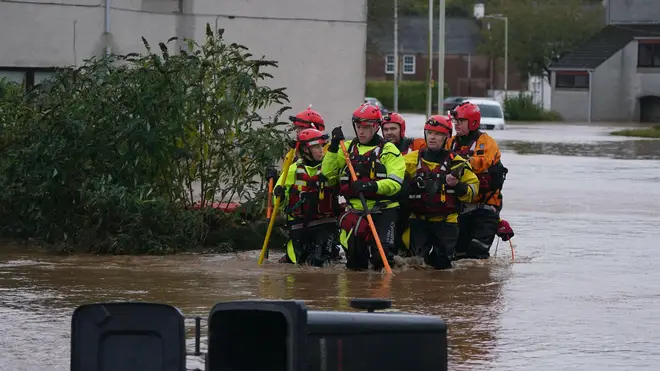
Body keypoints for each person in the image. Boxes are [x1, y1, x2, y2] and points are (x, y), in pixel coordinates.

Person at [322, 103, 406, 271]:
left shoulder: (389, 150)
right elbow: (328, 175)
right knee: (355, 264)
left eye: (365, 127)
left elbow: (395, 183)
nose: (360, 131)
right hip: (355, 211)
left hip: (383, 211)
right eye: (358, 127)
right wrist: (332, 148)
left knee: (380, 259)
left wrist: (371, 186)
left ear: (375, 127)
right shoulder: (347, 149)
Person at [402, 115, 479, 269]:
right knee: (415, 266)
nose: (433, 137)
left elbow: (473, 190)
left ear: (447, 137)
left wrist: (458, 185)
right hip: (417, 221)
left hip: (446, 223)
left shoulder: (457, 163)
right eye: (430, 133)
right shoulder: (409, 160)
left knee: (442, 267)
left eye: (438, 134)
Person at [446, 101, 510, 259]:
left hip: (486, 207)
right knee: (457, 254)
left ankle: (481, 281)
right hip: (461, 207)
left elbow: (481, 163)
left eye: (460, 121)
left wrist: (458, 164)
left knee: (477, 251)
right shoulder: (450, 142)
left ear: (472, 122)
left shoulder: (486, 142)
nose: (456, 125)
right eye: (455, 121)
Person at [273, 128, 341, 266]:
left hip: (325, 224)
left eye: (322, 146)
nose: (321, 150)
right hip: (299, 224)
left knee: (319, 261)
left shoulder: (329, 167)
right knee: (298, 262)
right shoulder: (292, 170)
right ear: (305, 149)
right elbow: (279, 204)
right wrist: (279, 194)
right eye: (316, 147)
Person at [381, 112, 426, 254]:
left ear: (402, 129)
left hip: (413, 206)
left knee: (412, 251)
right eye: (386, 129)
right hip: (389, 205)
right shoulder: (379, 149)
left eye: (393, 129)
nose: (389, 133)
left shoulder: (417, 145)